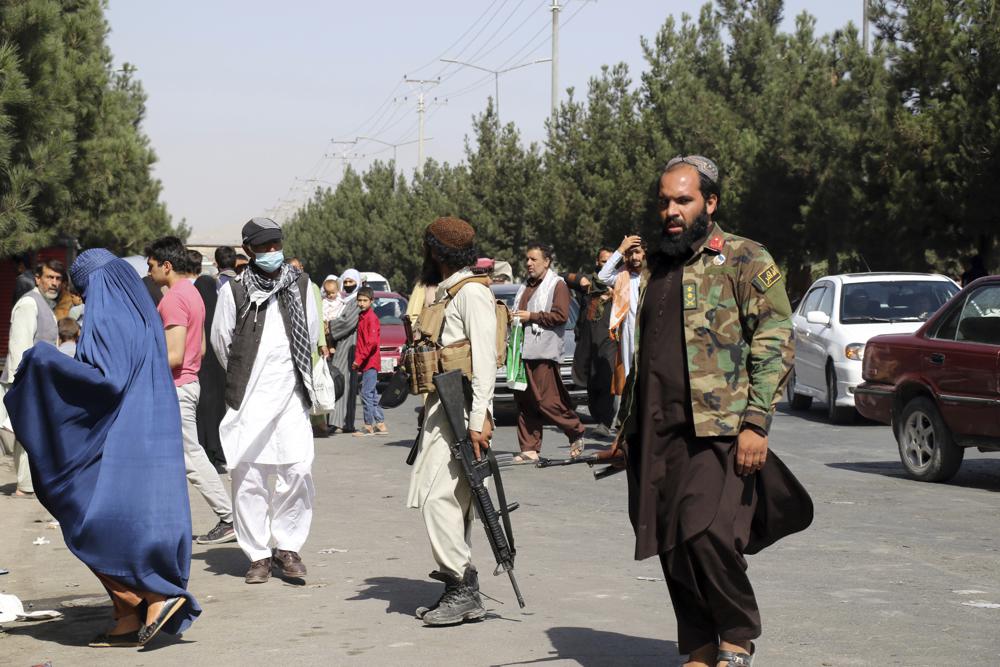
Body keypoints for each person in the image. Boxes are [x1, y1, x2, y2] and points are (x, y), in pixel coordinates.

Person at [613, 156, 812, 667]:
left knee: (708, 534)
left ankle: (737, 634)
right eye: (665, 202)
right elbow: (645, 356)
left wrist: (756, 422)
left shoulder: (744, 258)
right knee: (670, 541)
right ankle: (700, 645)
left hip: (719, 429)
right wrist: (626, 428)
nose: (671, 211)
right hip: (658, 431)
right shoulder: (658, 265)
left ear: (710, 202)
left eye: (683, 200)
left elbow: (774, 340)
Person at [3, 248, 200, 648]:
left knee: (83, 511)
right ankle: (126, 611)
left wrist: (45, 360)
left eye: (86, 288)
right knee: (119, 516)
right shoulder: (142, 311)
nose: (86, 297)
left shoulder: (107, 313)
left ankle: (155, 596)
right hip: (144, 431)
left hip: (117, 436)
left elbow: (107, 379)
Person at [211, 217, 320, 584]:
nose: (273, 252)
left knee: (298, 469)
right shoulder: (235, 291)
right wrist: (247, 377)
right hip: (250, 399)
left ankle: (287, 547)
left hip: (291, 395)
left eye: (277, 244)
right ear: (249, 251)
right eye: (265, 247)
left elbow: (314, 332)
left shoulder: (302, 285)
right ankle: (258, 554)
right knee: (249, 475)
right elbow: (221, 342)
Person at [408, 216, 496, 626]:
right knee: (452, 502)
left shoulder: (471, 294)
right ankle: (454, 584)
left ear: (435, 251)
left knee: (437, 499)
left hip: (462, 413)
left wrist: (478, 419)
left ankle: (464, 587)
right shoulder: (445, 292)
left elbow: (484, 362)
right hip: (443, 408)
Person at [147, 237, 236, 545]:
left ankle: (228, 517)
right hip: (189, 382)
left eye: (151, 265)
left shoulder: (173, 299)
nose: (149, 271)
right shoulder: (192, 292)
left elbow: (174, 354)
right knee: (173, 457)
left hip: (177, 386)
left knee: (191, 456)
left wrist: (142, 360)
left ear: (166, 265)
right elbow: (197, 347)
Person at [511, 243, 585, 463]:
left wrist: (531, 316)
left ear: (547, 261)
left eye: (534, 259)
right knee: (526, 401)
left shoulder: (557, 285)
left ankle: (576, 430)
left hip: (543, 352)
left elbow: (560, 316)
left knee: (546, 400)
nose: (529, 263)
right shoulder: (525, 285)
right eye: (527, 259)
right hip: (522, 351)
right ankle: (529, 448)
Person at [1, 259, 65, 497]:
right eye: (49, 277)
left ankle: (29, 485)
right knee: (26, 435)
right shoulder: (29, 303)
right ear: (38, 278)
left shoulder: (45, 305)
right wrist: (23, 383)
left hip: (37, 382)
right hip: (25, 381)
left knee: (28, 435)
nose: (54, 282)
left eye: (58, 279)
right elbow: (19, 347)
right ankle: (25, 488)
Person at [563, 247, 617, 435]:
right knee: (591, 381)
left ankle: (605, 421)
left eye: (611, 261)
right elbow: (563, 276)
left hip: (609, 340)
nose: (607, 265)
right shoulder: (589, 281)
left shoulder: (619, 282)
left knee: (606, 379)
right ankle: (598, 417)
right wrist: (582, 281)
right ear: (597, 262)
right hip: (587, 339)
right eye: (603, 261)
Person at [599, 235, 647, 383]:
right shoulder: (623, 275)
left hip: (650, 332)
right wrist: (620, 249)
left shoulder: (655, 275)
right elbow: (602, 277)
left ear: (646, 252)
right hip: (628, 333)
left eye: (637, 252)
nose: (634, 257)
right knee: (629, 376)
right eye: (630, 253)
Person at [194, 270, 229, 472]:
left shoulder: (197, 312)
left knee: (202, 411)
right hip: (218, 370)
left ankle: (205, 450)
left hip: (201, 369)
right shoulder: (219, 312)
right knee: (217, 410)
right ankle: (219, 450)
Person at [328, 268, 361, 434]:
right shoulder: (344, 300)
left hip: (349, 344)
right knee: (343, 382)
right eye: (346, 282)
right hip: (343, 344)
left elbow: (347, 322)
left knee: (341, 381)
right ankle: (343, 421)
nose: (348, 285)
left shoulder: (356, 301)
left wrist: (329, 327)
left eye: (351, 282)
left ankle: (338, 421)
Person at [352, 286, 386, 437]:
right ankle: (380, 423)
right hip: (366, 361)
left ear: (371, 301)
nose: (361, 303)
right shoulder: (363, 316)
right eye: (359, 300)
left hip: (369, 361)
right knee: (371, 393)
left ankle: (368, 426)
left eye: (365, 300)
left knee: (366, 393)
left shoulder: (371, 318)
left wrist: (358, 360)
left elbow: (371, 343)